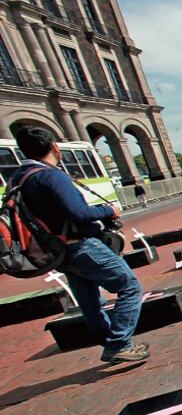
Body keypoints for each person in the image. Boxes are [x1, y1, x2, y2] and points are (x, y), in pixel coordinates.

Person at [11, 126, 147, 363]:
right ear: (54, 147)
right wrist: (108, 210)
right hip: (81, 246)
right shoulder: (51, 176)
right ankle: (119, 344)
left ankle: (112, 344)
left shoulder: (19, 179)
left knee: (89, 302)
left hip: (58, 252)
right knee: (129, 286)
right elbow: (79, 213)